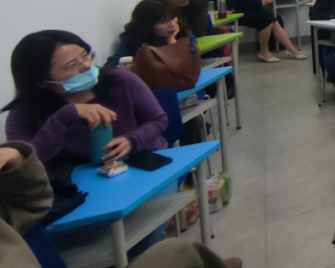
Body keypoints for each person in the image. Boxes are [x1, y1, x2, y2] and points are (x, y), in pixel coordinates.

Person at [0, 140, 242, 267]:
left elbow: (33, 207)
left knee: (176, 251)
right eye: (70, 66)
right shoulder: (31, 114)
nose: (84, 68)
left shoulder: (116, 83)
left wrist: (17, 159)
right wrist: (64, 116)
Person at [4, 30, 168, 167]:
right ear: (42, 82)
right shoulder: (24, 112)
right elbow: (28, 163)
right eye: (72, 66)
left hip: (142, 163)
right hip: (77, 183)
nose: (87, 66)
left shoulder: (120, 80)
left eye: (85, 56)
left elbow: (158, 119)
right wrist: (63, 117)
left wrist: (132, 140)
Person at [107, 0, 201, 76]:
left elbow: (188, 64)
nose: (172, 25)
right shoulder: (133, 38)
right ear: (148, 25)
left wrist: (171, 41)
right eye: (164, 22)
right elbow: (112, 65)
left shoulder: (184, 34)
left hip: (183, 84)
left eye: (173, 18)